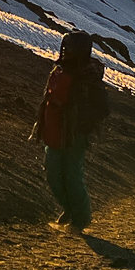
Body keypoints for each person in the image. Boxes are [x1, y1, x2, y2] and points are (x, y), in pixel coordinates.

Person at [31, 31, 110, 233]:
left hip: (75, 133)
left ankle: (80, 220)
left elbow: (101, 108)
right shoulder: (59, 70)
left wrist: (82, 124)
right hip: (54, 129)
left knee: (72, 176)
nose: (66, 51)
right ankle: (70, 209)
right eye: (65, 46)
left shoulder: (88, 77)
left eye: (71, 47)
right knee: (53, 173)